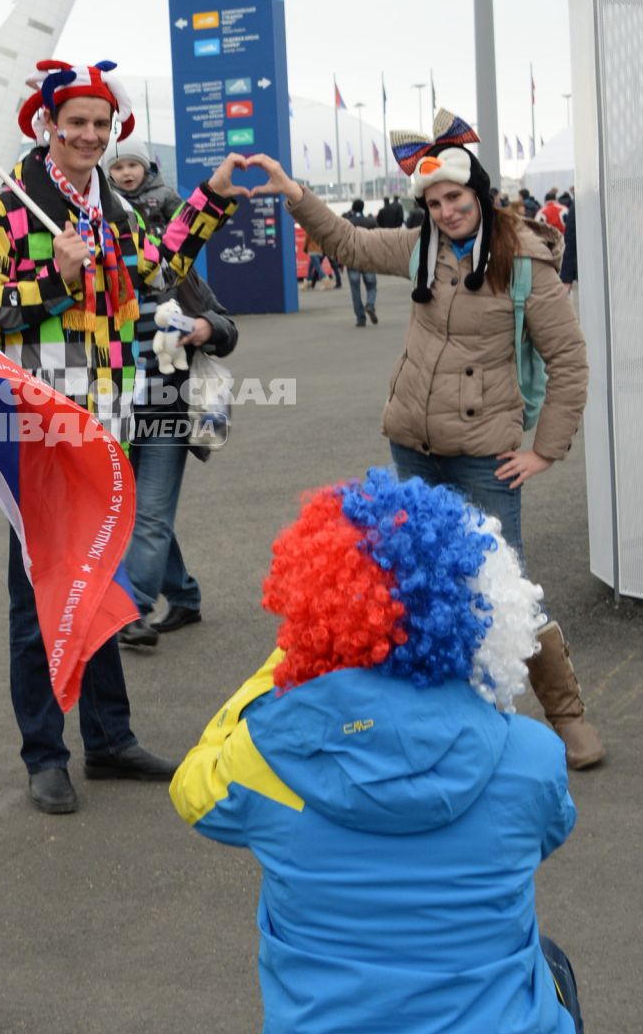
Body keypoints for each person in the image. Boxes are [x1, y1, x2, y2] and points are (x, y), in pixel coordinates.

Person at [173, 469, 597, 1034]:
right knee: (551, 972)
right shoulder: (527, 758)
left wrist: (285, 667)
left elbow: (190, 786)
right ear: (468, 597)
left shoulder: (263, 758)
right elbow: (550, 825)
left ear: (311, 605)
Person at [246, 110, 603, 768]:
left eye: (455, 198)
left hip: (485, 459)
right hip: (413, 446)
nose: (445, 211)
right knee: (424, 586)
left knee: (505, 586)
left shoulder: (524, 260)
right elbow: (349, 245)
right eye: (434, 201)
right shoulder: (420, 250)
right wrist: (294, 194)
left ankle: (568, 715)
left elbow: (571, 361)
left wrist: (544, 449)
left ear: (480, 196)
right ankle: (454, 721)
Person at [0, 56, 254, 813]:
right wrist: (56, 277)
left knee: (103, 586)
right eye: (78, 123)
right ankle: (44, 753)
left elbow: (157, 269)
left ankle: (110, 739)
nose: (92, 135)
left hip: (112, 424)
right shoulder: (9, 209)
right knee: (38, 601)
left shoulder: (116, 211)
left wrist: (211, 199)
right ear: (48, 126)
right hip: (42, 432)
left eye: (103, 123)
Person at [106, 139, 239, 647]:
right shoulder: (94, 272)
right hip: (111, 405)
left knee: (151, 511)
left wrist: (205, 328)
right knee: (138, 511)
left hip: (167, 402)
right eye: (115, 166)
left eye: (131, 163)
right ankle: (181, 593)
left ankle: (130, 608)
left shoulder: (169, 265)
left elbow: (226, 326)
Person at [342, 198, 378, 326]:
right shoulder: (371, 222)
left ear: (353, 208)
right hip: (368, 258)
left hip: (352, 260)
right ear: (363, 208)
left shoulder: (347, 223)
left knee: (355, 289)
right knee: (372, 286)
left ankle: (360, 318)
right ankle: (370, 304)